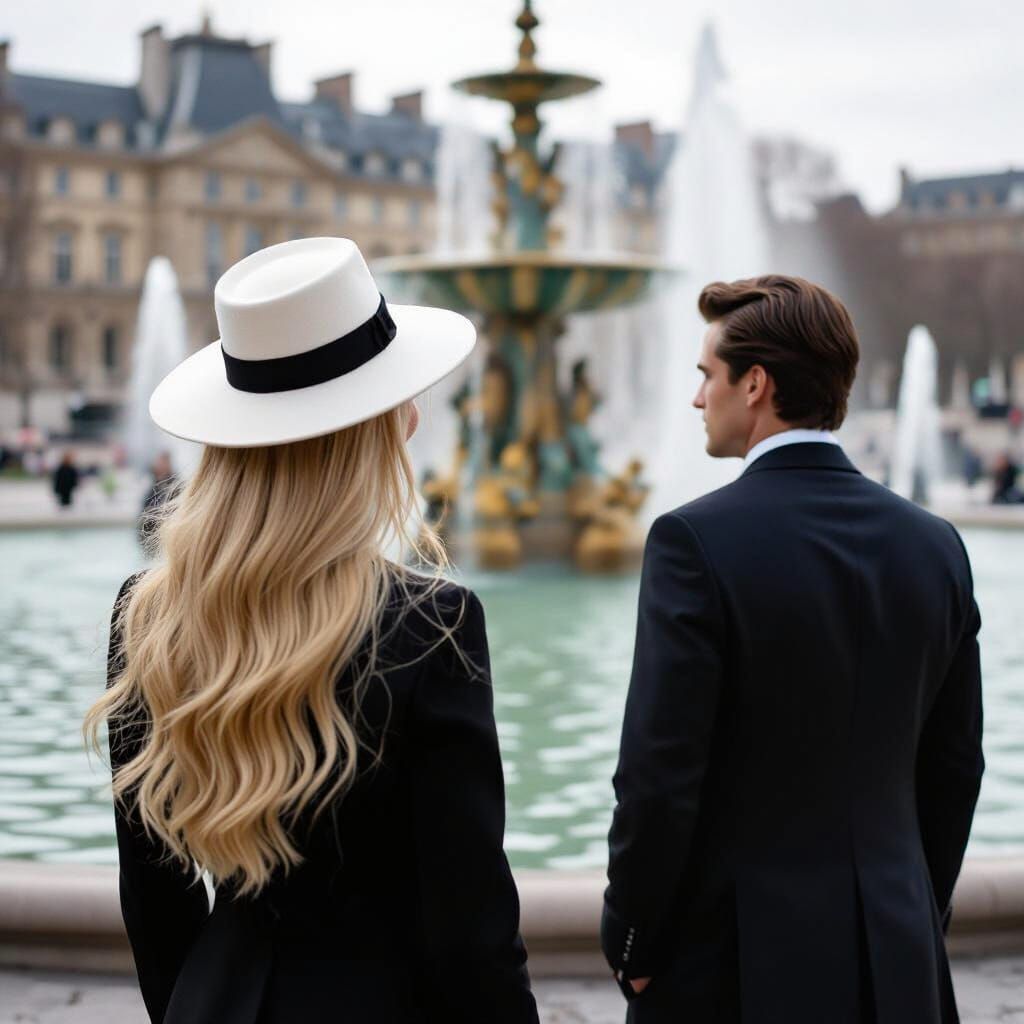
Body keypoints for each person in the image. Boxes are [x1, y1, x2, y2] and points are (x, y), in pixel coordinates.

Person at [84, 237, 538, 1024]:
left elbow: (152, 899)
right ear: (374, 431)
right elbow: (470, 932)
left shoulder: (147, 615)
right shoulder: (432, 625)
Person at [602, 275, 983, 1023]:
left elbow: (659, 776)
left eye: (705, 375)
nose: (696, 398)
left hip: (735, 969)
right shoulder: (937, 545)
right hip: (897, 963)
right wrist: (909, 912)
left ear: (755, 384)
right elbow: (955, 765)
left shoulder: (693, 541)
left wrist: (634, 944)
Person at [137, 451, 180, 553]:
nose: (160, 465)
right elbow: (143, 506)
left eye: (163, 462)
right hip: (149, 530)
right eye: (159, 462)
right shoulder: (151, 482)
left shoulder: (175, 484)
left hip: (166, 530)